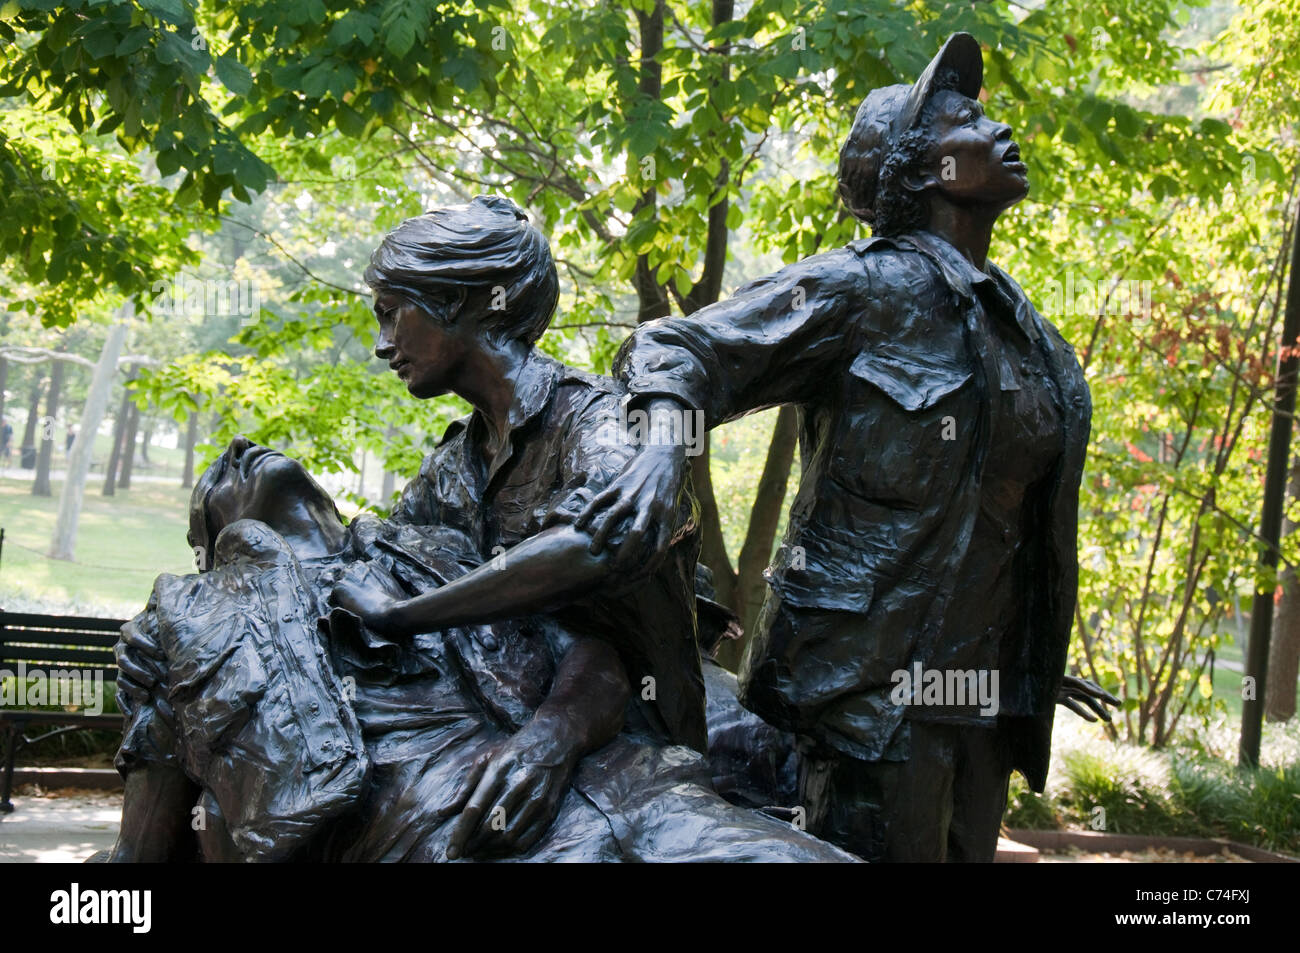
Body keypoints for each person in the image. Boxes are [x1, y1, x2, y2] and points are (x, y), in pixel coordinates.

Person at [108, 197, 856, 863]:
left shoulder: (595, 420)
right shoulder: (449, 474)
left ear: (461, 301)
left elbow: (597, 557)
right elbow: (399, 585)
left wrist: (427, 633)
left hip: (636, 742)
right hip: (508, 769)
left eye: (391, 310)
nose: (381, 342)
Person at [578, 34, 1109, 862]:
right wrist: (659, 454)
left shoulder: (1022, 325)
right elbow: (676, 352)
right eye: (968, 118)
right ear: (925, 169)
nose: (999, 127)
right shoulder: (860, 289)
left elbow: (1002, 511)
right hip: (871, 692)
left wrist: (1035, 641)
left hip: (983, 694)